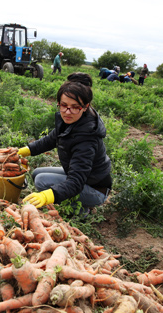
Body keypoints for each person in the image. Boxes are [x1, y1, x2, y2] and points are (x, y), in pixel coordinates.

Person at [19, 72, 112, 217]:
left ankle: (81, 210)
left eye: (75, 107)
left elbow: (76, 182)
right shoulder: (70, 121)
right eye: (63, 105)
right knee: (37, 173)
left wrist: (47, 196)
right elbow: (49, 141)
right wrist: (22, 151)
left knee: (41, 181)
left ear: (85, 106)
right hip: (83, 177)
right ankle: (73, 202)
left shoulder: (87, 138)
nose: (67, 112)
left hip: (95, 188)